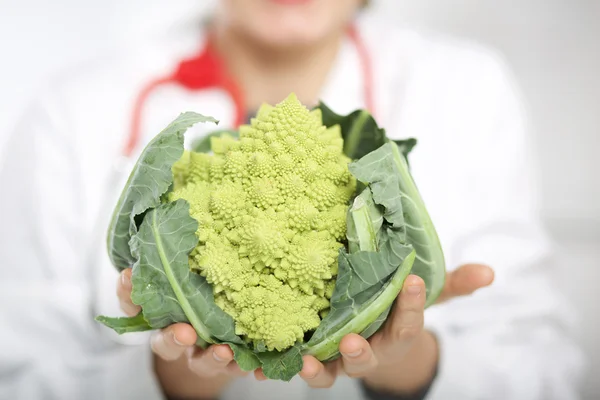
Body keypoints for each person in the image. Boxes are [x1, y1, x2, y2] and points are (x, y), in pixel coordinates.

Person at [0, 0, 585, 399]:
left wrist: (411, 367)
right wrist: (167, 380)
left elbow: (548, 375)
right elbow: (20, 376)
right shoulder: (73, 113)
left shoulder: (466, 88)